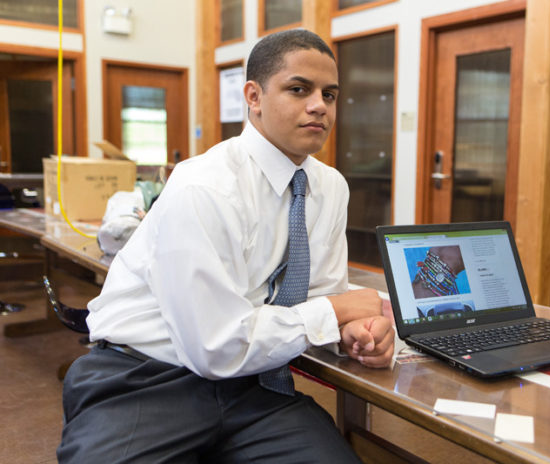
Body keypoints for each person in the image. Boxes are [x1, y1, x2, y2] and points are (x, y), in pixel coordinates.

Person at [57, 29, 394, 463]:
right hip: (143, 378)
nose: (319, 106)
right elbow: (215, 347)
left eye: (329, 94)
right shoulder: (204, 186)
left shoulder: (329, 187)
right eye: (299, 89)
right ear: (252, 96)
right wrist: (337, 312)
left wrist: (354, 333)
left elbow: (321, 295)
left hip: (254, 385)